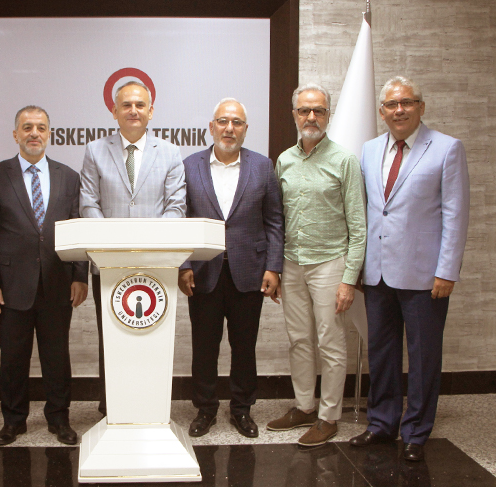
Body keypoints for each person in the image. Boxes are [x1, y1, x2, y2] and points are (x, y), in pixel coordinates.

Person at [349, 76, 469, 462]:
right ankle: (382, 424)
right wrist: (359, 267)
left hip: (424, 275)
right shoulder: (369, 150)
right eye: (391, 104)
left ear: (421, 107)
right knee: (382, 353)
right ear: (381, 111)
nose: (399, 110)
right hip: (378, 272)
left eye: (407, 102)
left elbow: (456, 214)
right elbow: (372, 211)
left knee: (422, 356)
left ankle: (416, 431)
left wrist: (447, 270)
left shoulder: (447, 149)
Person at [0, 106, 88, 446]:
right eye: (27, 127)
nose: (34, 133)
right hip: (11, 286)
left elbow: (77, 229)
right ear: (15, 134)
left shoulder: (68, 177)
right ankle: (13, 421)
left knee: (57, 358)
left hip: (57, 283)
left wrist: (80, 275)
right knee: (13, 358)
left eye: (41, 127)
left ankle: (59, 418)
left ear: (49, 134)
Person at [79, 81, 187, 416]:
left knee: (152, 334)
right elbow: (89, 204)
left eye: (140, 105)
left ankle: (150, 404)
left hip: (157, 265)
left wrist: (147, 246)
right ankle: (111, 404)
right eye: (126, 105)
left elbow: (176, 207)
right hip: (108, 265)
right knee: (111, 335)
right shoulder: (95, 150)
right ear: (114, 111)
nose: (133, 111)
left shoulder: (169, 152)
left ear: (151, 111)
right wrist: (114, 245)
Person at [178, 98, 284, 438]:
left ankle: (241, 409)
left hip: (250, 272)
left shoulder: (263, 166)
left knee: (244, 347)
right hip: (203, 273)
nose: (229, 128)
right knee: (204, 347)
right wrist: (183, 265)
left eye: (236, 122)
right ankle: (205, 409)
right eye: (223, 121)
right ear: (211, 127)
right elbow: (181, 219)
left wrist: (274, 267)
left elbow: (274, 221)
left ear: (245, 129)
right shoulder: (189, 166)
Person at [268, 83, 366, 446]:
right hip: (292, 264)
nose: (311, 117)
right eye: (304, 110)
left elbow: (359, 226)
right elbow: (277, 219)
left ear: (328, 115)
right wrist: (276, 268)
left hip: (330, 264)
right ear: (294, 114)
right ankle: (305, 407)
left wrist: (348, 279)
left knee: (330, 342)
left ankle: (329, 417)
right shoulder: (284, 160)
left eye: (319, 111)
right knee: (298, 339)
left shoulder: (344, 160)